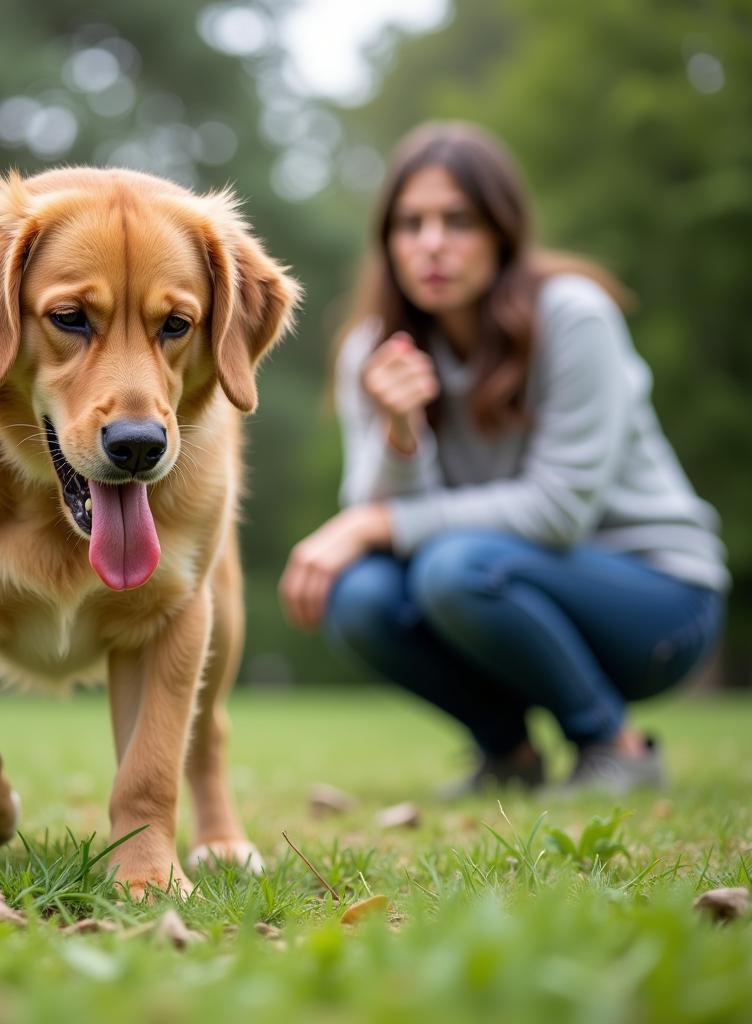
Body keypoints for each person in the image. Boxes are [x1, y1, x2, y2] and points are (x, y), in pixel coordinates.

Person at [278, 121, 728, 796]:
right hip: (490, 586)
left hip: (658, 598)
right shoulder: (370, 349)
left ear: (501, 231)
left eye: (457, 220)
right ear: (388, 242)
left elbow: (558, 511)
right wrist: (402, 433)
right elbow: (381, 523)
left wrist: (376, 524)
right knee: (360, 594)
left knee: (454, 566)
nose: (432, 243)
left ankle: (615, 748)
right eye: (411, 223)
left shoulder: (573, 317)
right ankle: (509, 756)